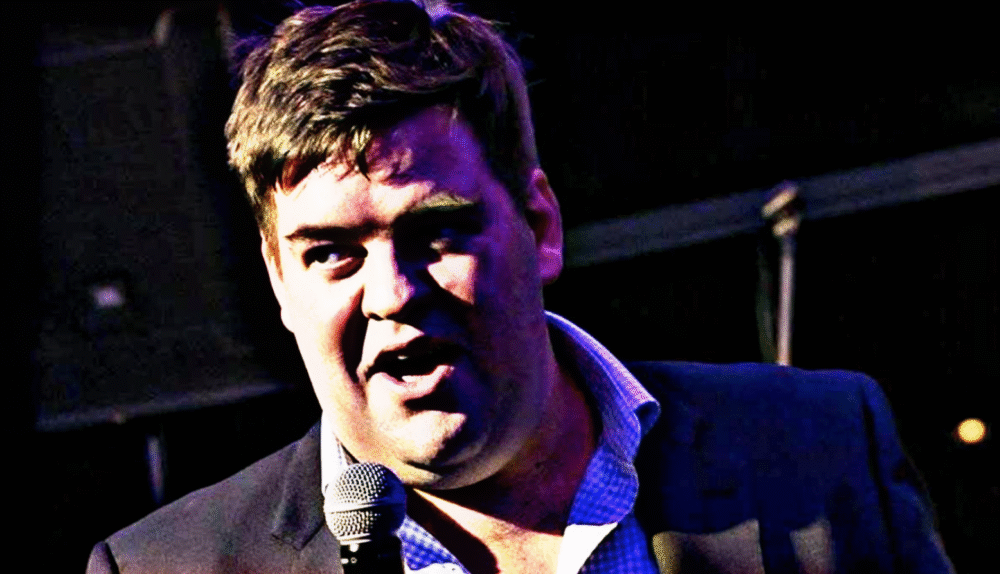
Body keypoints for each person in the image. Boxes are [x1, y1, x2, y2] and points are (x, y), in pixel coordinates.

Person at [87, 1, 955, 573]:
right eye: (332, 254)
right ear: (279, 278)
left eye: (435, 233)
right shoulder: (167, 568)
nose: (392, 294)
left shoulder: (816, 448)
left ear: (539, 226)